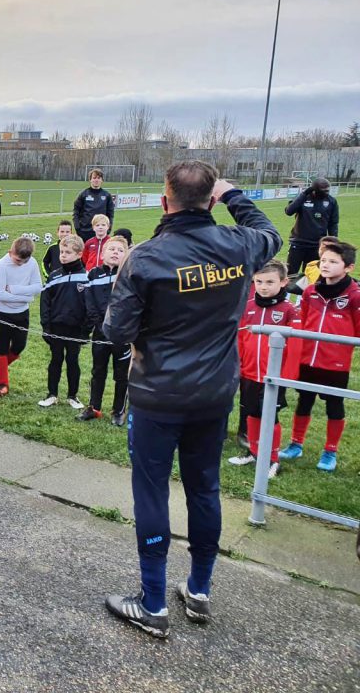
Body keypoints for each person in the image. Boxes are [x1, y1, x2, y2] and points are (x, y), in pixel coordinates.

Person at [103, 161, 280, 639]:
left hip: (159, 395)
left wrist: (150, 333)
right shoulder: (238, 242)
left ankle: (155, 602)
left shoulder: (146, 257)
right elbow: (269, 231)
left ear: (165, 201)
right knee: (204, 488)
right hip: (214, 394)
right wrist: (233, 195)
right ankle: (198, 590)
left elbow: (115, 329)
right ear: (211, 200)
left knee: (152, 491)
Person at [279, 240, 360, 472]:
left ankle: (330, 451)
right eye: (323, 260)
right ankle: (296, 444)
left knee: (334, 406)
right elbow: (303, 321)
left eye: (333, 262)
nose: (325, 265)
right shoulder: (311, 291)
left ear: (348, 267)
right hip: (308, 360)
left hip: (336, 364)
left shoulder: (355, 295)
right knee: (304, 402)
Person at [228, 260, 301, 476]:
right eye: (259, 281)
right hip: (249, 373)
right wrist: (239, 366)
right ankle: (254, 451)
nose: (264, 286)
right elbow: (241, 338)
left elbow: (296, 346)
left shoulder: (289, 310)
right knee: (251, 412)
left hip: (274, 377)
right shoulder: (248, 307)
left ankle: (273, 458)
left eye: (270, 282)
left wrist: (286, 376)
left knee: (270, 416)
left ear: (284, 282)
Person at [79, 236, 131, 425]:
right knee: (98, 371)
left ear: (126, 255)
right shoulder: (93, 274)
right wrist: (99, 324)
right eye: (112, 249)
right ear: (103, 253)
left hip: (123, 334)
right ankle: (95, 407)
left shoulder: (129, 274)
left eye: (120, 250)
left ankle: (118, 411)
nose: (115, 252)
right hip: (101, 332)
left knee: (122, 375)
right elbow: (89, 302)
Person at [39, 235, 88, 409]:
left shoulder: (86, 277)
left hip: (75, 329)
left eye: (68, 252)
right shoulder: (54, 276)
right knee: (55, 360)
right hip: (56, 327)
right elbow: (45, 302)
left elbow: (89, 307)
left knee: (73, 361)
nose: (63, 255)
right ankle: (52, 394)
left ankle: (72, 396)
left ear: (79, 254)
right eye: (62, 252)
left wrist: (85, 332)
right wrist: (46, 326)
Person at [0, 237, 42, 397]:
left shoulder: (31, 263)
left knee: (19, 346)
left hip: (21, 312)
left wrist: (14, 289)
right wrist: (26, 295)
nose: (21, 264)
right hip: (1, 312)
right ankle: (3, 384)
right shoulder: (1, 266)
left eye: (24, 261)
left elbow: (38, 286)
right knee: (2, 347)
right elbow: (0, 294)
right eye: (18, 260)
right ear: (11, 252)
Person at [284, 177, 339, 275]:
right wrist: (304, 194)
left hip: (316, 245)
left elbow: (333, 223)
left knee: (310, 274)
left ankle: (307, 291)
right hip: (298, 243)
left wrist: (333, 241)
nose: (327, 193)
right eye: (324, 190)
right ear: (314, 190)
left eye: (328, 190)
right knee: (290, 273)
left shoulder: (331, 202)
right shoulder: (302, 198)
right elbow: (289, 211)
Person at [72, 168, 115, 244]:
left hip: (101, 232)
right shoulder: (83, 194)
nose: (96, 180)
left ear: (102, 180)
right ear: (90, 180)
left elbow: (110, 214)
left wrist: (108, 229)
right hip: (84, 232)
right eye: (94, 178)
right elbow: (76, 212)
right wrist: (78, 228)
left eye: (98, 178)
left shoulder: (107, 195)